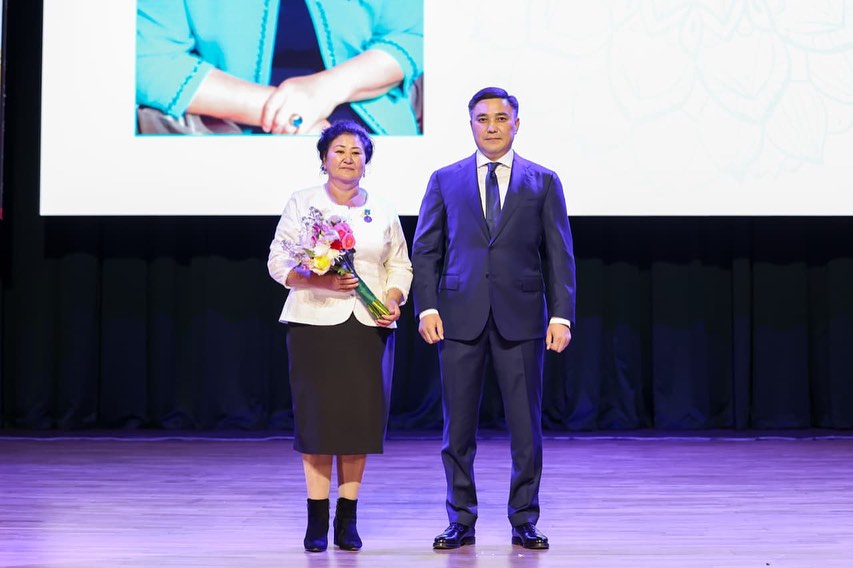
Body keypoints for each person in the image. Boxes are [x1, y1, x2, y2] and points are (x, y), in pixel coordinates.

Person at [411, 87, 576, 550]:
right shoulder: (445, 179)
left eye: (501, 118)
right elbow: (426, 250)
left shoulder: (543, 181)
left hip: (521, 319)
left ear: (516, 124)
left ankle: (524, 519)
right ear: (471, 125)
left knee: (525, 429)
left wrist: (561, 316)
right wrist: (427, 306)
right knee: (457, 430)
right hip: (457, 317)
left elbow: (559, 255)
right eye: (482, 119)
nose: (491, 127)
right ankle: (460, 520)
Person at [267, 120, 413, 552]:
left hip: (369, 327)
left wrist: (392, 297)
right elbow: (278, 262)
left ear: (366, 162)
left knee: (357, 424)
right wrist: (320, 281)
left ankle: (347, 518)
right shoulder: (303, 203)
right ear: (324, 158)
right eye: (340, 151)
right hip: (314, 325)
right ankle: (316, 519)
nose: (348, 158)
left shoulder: (383, 209)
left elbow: (400, 265)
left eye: (357, 152)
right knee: (318, 423)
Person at [137, 0, 423, 135]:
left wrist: (327, 89)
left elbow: (416, 33)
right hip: (222, 134)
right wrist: (291, 113)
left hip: (373, 137)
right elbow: (146, 57)